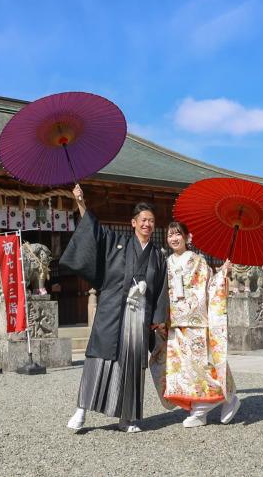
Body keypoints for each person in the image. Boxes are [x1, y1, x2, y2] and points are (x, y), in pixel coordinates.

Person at [60, 184, 169, 433]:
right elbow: (94, 232)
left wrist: (157, 319)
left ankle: (126, 418)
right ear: (133, 223)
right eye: (143, 220)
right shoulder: (116, 242)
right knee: (98, 357)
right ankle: (81, 410)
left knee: (131, 366)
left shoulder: (157, 256)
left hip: (139, 317)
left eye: (151, 221)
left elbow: (162, 286)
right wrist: (80, 202)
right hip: (112, 310)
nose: (147, 224)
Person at [150, 220, 240, 427]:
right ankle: (200, 407)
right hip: (173, 322)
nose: (174, 238)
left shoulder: (198, 261)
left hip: (195, 322)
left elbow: (210, 286)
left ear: (187, 237)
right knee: (180, 368)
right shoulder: (166, 263)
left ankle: (212, 402)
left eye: (178, 234)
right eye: (170, 235)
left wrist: (222, 273)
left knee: (199, 365)